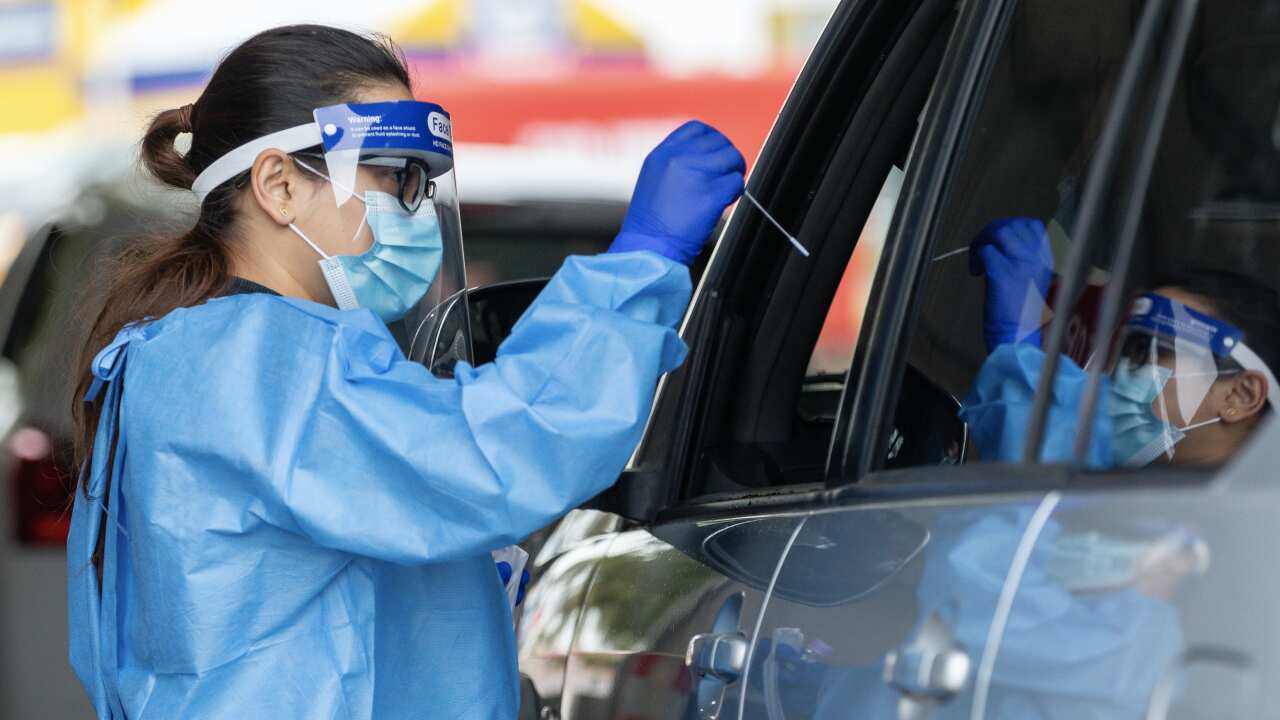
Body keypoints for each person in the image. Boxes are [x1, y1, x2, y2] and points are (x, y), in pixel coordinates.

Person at [66, 25, 746, 719]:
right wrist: (638, 265)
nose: (413, 207)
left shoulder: (177, 352)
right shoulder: (269, 364)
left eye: (421, 182)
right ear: (277, 184)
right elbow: (499, 453)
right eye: (392, 174)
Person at [958, 217, 1279, 466]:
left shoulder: (1226, 533)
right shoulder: (1135, 497)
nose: (1108, 375)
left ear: (1240, 394)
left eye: (1141, 353)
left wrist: (1017, 363)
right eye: (1116, 354)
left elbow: (1021, 528)